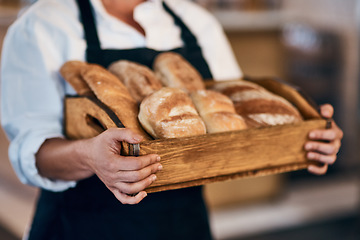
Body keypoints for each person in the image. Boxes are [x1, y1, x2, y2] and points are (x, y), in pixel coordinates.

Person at [0, 0, 343, 239]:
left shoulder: (195, 19)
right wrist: (91, 155)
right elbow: (33, 154)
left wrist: (302, 136)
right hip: (83, 224)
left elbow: (232, 120)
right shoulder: (43, 23)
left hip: (185, 222)